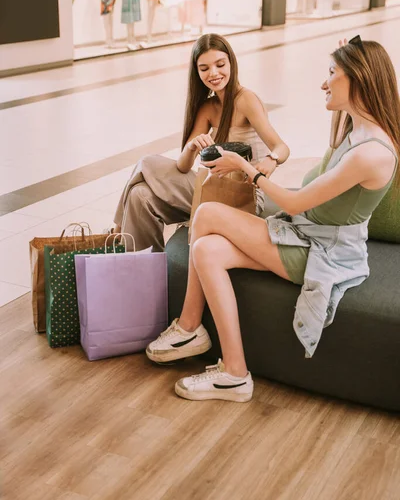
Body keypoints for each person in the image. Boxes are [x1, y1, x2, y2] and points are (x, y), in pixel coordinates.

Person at [146, 36, 400, 403]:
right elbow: (336, 129)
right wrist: (346, 57)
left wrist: (245, 167)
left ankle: (189, 326)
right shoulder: (357, 126)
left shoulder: (372, 154)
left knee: (207, 213)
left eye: (331, 74)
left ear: (357, 79)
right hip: (308, 235)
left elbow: (296, 202)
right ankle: (234, 372)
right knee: (206, 250)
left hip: (322, 252)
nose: (323, 83)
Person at [112, 33, 290, 251]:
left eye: (220, 64)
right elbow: (183, 166)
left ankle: (117, 227)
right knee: (140, 196)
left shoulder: (246, 100)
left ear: (231, 63)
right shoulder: (208, 107)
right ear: (197, 72)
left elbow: (282, 147)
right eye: (204, 68)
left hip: (244, 196)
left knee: (147, 163)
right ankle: (147, 272)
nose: (213, 73)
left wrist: (272, 160)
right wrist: (192, 145)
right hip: (213, 189)